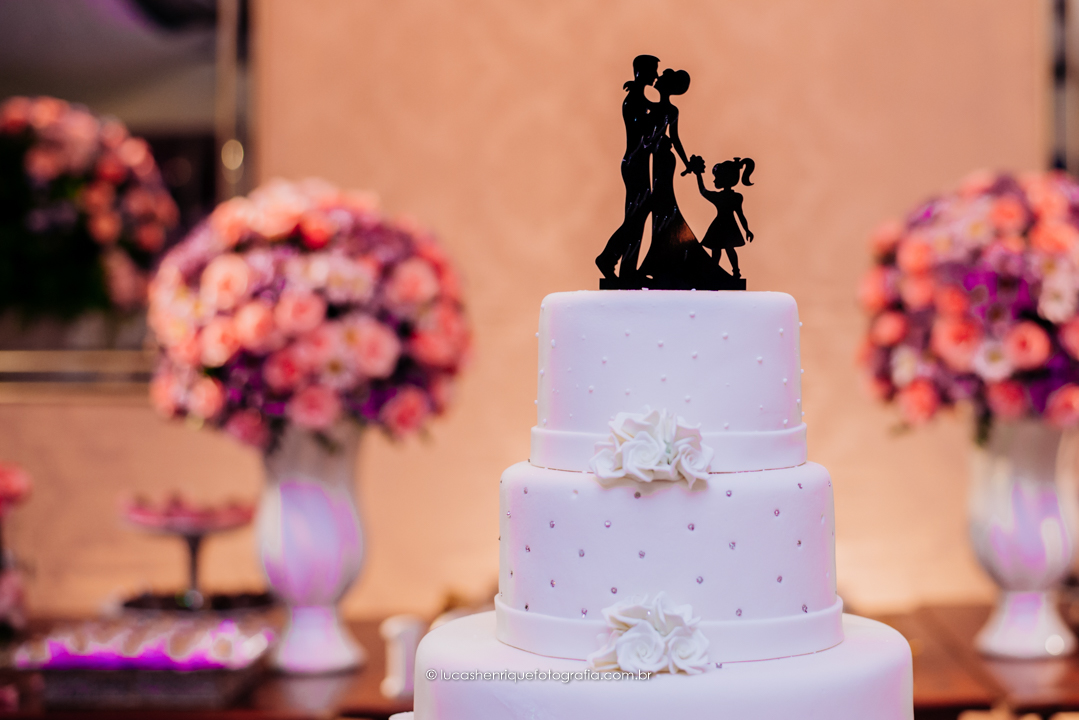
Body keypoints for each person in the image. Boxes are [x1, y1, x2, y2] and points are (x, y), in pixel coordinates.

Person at [636, 68, 704, 286]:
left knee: (663, 206)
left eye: (662, 78)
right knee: (661, 207)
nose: (657, 78)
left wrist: (686, 163)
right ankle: (661, 261)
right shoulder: (660, 107)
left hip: (664, 159)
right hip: (658, 158)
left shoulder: (668, 110)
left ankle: (663, 260)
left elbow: (675, 138)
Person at [595, 55, 660, 282]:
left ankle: (628, 270)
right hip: (635, 164)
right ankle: (608, 258)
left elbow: (655, 109)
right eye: (653, 71)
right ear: (641, 72)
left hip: (638, 163)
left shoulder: (638, 98)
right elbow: (645, 134)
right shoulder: (634, 100)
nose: (656, 76)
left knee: (638, 217)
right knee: (636, 217)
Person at [690, 156, 755, 279]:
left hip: (721, 227)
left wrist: (698, 174)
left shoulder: (725, 197)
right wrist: (746, 230)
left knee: (722, 249)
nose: (715, 180)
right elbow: (740, 216)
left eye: (717, 177)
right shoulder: (735, 197)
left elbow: (703, 191)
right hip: (727, 226)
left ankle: (730, 272)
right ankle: (721, 271)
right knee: (723, 249)